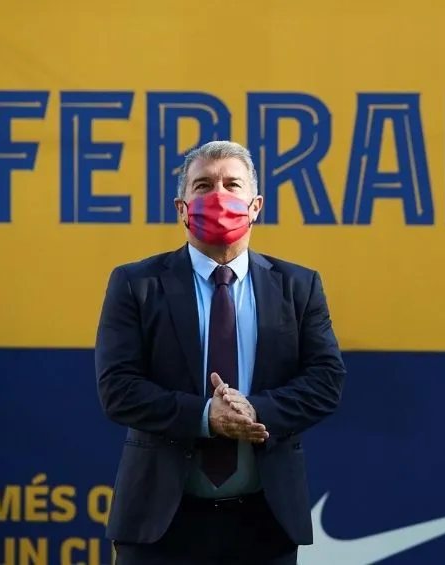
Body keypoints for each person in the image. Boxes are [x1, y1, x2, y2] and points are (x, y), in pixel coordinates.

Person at [95, 140, 347, 565]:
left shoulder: (298, 287)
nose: (218, 197)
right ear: (181, 208)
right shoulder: (136, 284)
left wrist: (256, 410)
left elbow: (325, 381)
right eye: (203, 186)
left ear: (255, 206)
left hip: (264, 522)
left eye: (232, 185)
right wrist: (206, 416)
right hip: (160, 523)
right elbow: (117, 388)